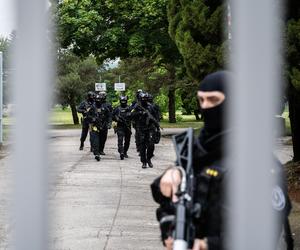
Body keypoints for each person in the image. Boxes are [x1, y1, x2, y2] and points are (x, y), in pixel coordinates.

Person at [151, 71, 293, 250]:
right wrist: (170, 231)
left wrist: (208, 245)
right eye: (201, 100)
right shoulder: (198, 150)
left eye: (213, 100)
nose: (206, 106)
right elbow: (167, 200)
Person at [131, 92, 159, 168]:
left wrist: (157, 125)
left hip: (150, 128)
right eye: (143, 99)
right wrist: (140, 113)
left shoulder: (151, 107)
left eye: (145, 99)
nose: (144, 100)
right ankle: (144, 162)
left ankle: (149, 159)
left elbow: (156, 117)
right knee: (142, 146)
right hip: (141, 128)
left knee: (151, 145)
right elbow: (131, 115)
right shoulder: (137, 106)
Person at [89, 92, 112, 161]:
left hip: (103, 126)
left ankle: (101, 150)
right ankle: (96, 154)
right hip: (95, 126)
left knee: (103, 139)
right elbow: (87, 115)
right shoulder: (92, 107)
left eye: (100, 100)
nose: (98, 101)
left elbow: (109, 115)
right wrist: (92, 119)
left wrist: (109, 123)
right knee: (95, 140)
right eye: (97, 100)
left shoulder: (105, 107)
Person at [112, 95, 132, 160]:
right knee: (120, 140)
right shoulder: (117, 108)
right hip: (120, 127)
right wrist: (116, 118)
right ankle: (121, 152)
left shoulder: (129, 108)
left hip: (127, 127)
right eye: (122, 101)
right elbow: (112, 116)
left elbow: (134, 116)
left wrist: (130, 115)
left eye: (124, 101)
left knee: (127, 141)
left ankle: (125, 151)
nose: (123, 102)